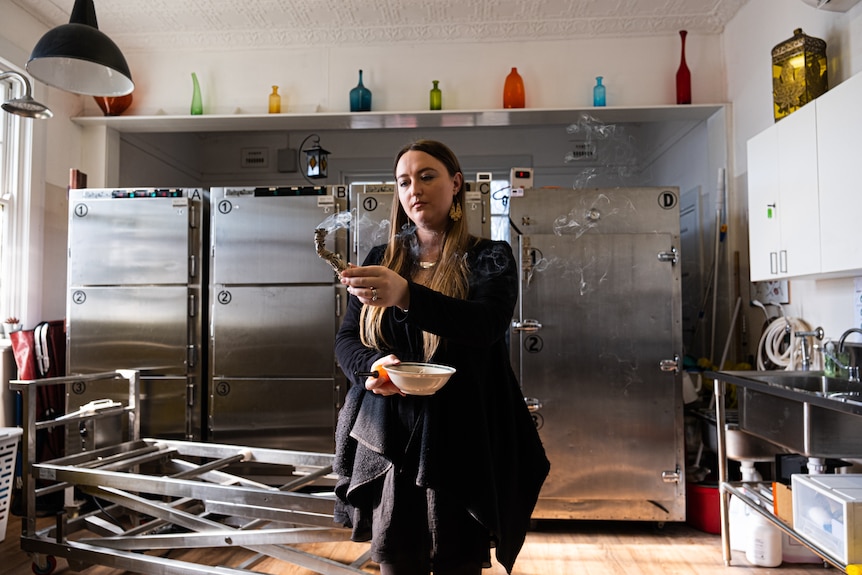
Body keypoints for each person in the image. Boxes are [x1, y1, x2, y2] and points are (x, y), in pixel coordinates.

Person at [333, 139, 550, 575]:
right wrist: (375, 367)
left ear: (455, 184)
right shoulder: (381, 259)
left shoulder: (490, 257)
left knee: (458, 561)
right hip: (391, 437)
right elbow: (345, 340)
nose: (415, 189)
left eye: (427, 176)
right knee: (397, 560)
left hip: (461, 442)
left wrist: (407, 295)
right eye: (404, 181)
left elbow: (484, 326)